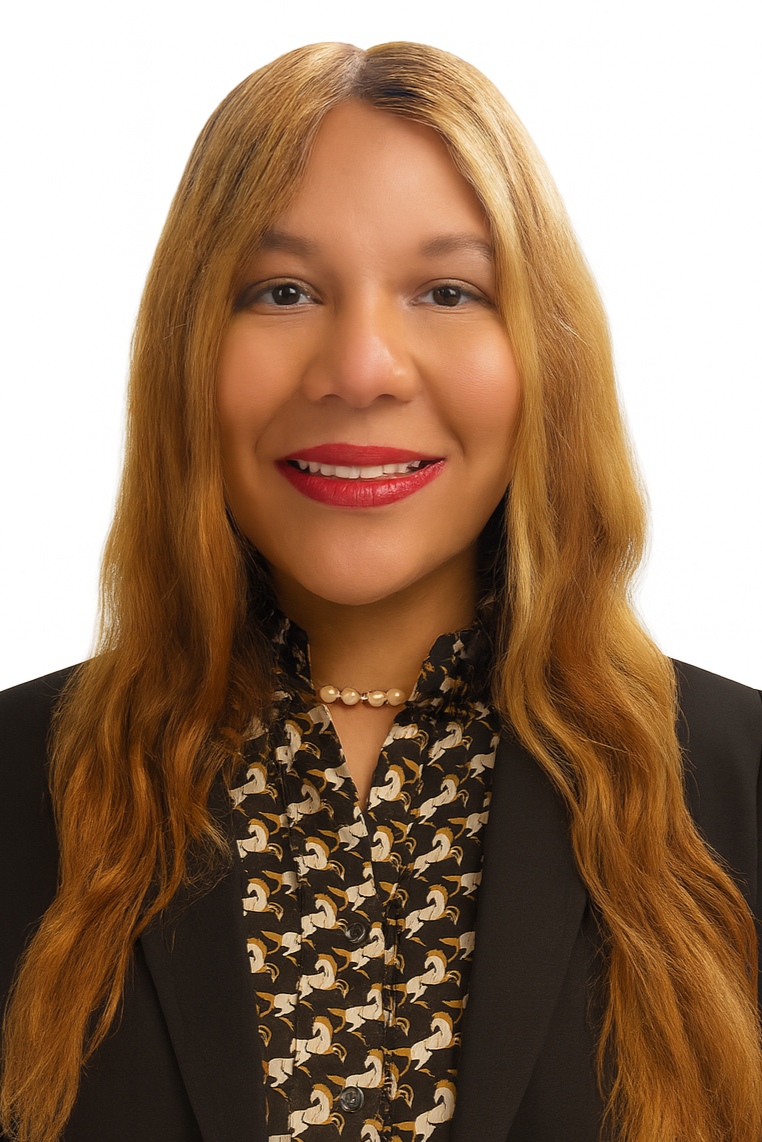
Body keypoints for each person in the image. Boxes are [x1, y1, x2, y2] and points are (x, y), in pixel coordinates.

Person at [0, 40, 760, 1142]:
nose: (362, 366)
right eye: (284, 290)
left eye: (448, 289)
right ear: (187, 348)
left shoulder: (737, 785)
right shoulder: (12, 783)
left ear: (544, 353)